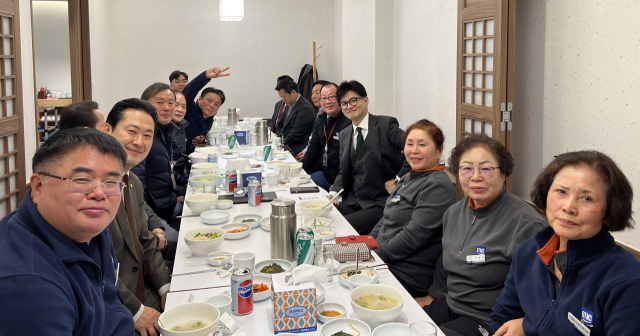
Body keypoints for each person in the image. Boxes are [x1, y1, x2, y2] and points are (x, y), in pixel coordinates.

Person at [0, 128, 133, 335]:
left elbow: (111, 305)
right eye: (81, 180)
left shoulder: (90, 230)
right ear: (37, 187)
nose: (99, 193)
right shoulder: (29, 286)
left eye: (111, 182)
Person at [491, 151, 640, 335]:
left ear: (610, 212)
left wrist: (527, 326)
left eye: (587, 198)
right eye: (561, 191)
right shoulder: (529, 252)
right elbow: (502, 317)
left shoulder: (627, 281)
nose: (568, 207)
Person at [418, 134, 547, 336]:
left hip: (489, 319)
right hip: (452, 304)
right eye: (467, 168)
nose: (476, 176)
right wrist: (433, 296)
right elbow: (445, 262)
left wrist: (525, 324)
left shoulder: (526, 225)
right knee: (401, 323)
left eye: (486, 169)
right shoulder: (453, 213)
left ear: (503, 173)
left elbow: (541, 292)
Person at [103, 98, 173, 336]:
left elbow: (145, 241)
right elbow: (93, 268)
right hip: (113, 307)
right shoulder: (94, 189)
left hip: (145, 292)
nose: (138, 142)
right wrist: (136, 311)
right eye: (131, 131)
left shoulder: (132, 182)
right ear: (107, 130)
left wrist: (166, 287)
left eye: (147, 135)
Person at [370, 119, 457, 298]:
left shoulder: (437, 185)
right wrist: (369, 242)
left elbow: (413, 236)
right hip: (384, 259)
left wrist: (376, 256)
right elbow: (386, 216)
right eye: (410, 144)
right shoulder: (410, 176)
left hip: (406, 272)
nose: (414, 150)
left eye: (422, 144)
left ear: (439, 150)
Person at [328, 80, 405, 235]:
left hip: (380, 203)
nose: (349, 106)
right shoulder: (344, 134)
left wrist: (398, 180)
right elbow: (343, 171)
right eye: (344, 103)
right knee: (322, 220)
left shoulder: (386, 125)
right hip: (353, 201)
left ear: (366, 100)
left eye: (353, 100)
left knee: (340, 229)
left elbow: (415, 151)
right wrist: (333, 193)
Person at [131, 83, 181, 225]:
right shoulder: (142, 137)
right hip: (155, 213)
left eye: (171, 103)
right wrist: (151, 219)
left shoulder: (165, 131)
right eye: (160, 102)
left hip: (169, 203)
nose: (167, 107)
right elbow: (136, 183)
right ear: (146, 105)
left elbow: (166, 170)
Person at [300, 82, 351, 190]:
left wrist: (339, 184)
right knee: (299, 184)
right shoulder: (320, 120)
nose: (328, 102)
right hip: (325, 174)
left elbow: (350, 161)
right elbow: (313, 151)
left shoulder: (348, 121)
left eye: (332, 97)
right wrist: (299, 171)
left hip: (343, 179)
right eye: (324, 98)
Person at [181, 67, 230, 152]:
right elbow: (189, 92)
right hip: (180, 159)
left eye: (216, 104)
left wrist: (202, 139)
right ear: (200, 99)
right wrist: (205, 76)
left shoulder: (209, 119)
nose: (211, 106)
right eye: (209, 101)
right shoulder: (189, 109)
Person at [274, 78, 317, 156]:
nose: (283, 101)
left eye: (284, 97)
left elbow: (296, 134)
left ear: (293, 92)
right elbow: (284, 127)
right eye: (281, 98)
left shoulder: (305, 108)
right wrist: (277, 139)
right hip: (287, 145)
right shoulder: (289, 104)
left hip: (298, 149)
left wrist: (279, 145)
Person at [171, 90, 189, 202]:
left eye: (183, 106)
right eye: (176, 105)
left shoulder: (180, 127)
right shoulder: (165, 132)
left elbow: (180, 158)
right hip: (173, 190)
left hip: (180, 182)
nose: (180, 110)